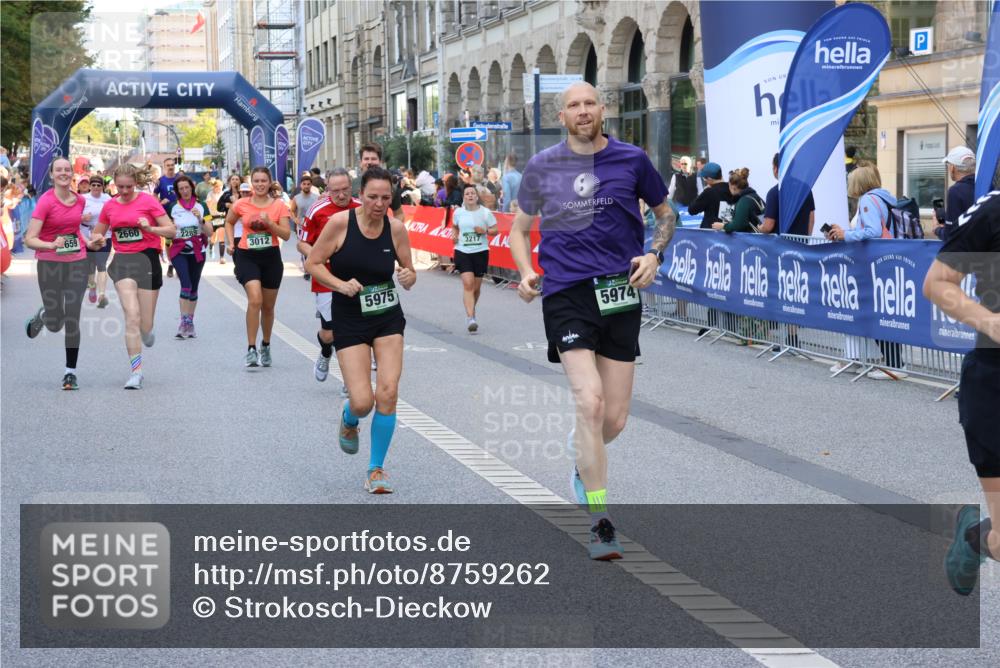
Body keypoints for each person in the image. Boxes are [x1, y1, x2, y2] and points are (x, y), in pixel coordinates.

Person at [510, 81, 675, 560]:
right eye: (573, 106)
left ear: (603, 109)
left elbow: (667, 216)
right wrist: (525, 272)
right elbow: (521, 231)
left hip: (620, 290)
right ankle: (601, 522)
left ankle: (583, 452)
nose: (582, 111)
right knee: (590, 401)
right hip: (566, 292)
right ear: (561, 116)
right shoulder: (542, 166)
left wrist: (654, 255)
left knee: (614, 419)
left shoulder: (632, 159)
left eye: (589, 103)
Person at [304, 166, 417, 494]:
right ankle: (350, 418)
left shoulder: (395, 229)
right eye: (372, 197)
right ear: (360, 195)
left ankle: (376, 469)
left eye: (385, 198)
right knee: (363, 400)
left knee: (388, 392)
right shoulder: (340, 223)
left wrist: (409, 276)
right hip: (349, 317)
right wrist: (340, 284)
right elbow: (312, 262)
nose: (379, 204)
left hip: (387, 317)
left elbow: (408, 270)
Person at [923, 189, 1000, 597]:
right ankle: (975, 537)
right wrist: (988, 321)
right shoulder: (993, 210)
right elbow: (937, 283)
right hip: (994, 386)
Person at [90, 163, 176, 389]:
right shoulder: (110, 205)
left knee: (145, 325)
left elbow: (171, 230)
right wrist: (97, 239)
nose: (125, 191)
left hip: (147, 259)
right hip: (124, 261)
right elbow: (97, 231)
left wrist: (150, 229)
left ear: (136, 183)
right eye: (120, 187)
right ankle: (136, 372)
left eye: (128, 186)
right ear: (115, 184)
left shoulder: (148, 201)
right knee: (132, 315)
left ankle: (147, 332)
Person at [22, 157, 101, 390]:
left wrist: (89, 242)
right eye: (59, 170)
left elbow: (74, 229)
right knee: (56, 323)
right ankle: (46, 316)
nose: (64, 173)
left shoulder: (78, 200)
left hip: (77, 261)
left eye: (67, 169)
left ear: (72, 174)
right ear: (52, 175)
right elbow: (29, 239)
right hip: (49, 264)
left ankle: (70, 372)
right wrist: (50, 245)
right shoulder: (46, 202)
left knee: (73, 317)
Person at [825, 164, 905, 379]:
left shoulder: (868, 200)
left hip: (874, 262)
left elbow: (873, 231)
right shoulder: (885, 197)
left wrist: (845, 236)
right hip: (887, 259)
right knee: (883, 312)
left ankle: (895, 365)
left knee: (876, 313)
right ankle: (888, 362)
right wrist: (846, 232)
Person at [297, 168, 361, 386]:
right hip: (326, 280)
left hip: (357, 279)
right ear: (327, 189)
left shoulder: (362, 208)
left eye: (345, 190)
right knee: (330, 333)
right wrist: (318, 258)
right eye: (336, 191)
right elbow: (302, 243)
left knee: (351, 330)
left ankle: (349, 380)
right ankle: (325, 353)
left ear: (351, 187)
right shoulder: (318, 210)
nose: (341, 195)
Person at [225, 167, 292, 368]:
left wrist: (270, 223)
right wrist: (231, 243)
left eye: (264, 180)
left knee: (268, 307)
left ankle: (266, 344)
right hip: (247, 256)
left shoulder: (279, 205)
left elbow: (286, 235)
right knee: (255, 299)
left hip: (271, 257)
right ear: (252, 183)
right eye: (257, 181)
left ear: (270, 182)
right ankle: (251, 348)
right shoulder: (241, 204)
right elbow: (229, 222)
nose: (260, 184)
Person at [167, 175, 213, 338]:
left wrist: (200, 219)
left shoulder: (201, 206)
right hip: (179, 251)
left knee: (193, 288)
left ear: (192, 188)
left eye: (187, 188)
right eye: (181, 189)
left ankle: (190, 321)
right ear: (177, 191)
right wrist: (166, 246)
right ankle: (184, 321)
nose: (185, 191)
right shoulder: (172, 207)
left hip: (198, 251)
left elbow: (210, 232)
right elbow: (167, 231)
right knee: (185, 285)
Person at [450, 183, 498, 332]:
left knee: (476, 288)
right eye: (467, 194)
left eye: (472, 193)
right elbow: (455, 226)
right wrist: (455, 235)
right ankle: (470, 317)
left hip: (481, 251)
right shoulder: (458, 212)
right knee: (468, 284)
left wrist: (484, 231)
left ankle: (471, 310)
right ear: (464, 198)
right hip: (462, 251)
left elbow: (495, 230)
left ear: (477, 197)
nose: (470, 195)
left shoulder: (485, 213)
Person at [761, 152, 815, 235]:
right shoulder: (805, 188)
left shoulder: (774, 192)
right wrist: (807, 240)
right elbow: (811, 218)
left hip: (781, 246)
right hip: (801, 244)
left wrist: (760, 227)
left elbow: (768, 226)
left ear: (776, 169)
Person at [81, 176, 112, 307]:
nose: (96, 187)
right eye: (93, 185)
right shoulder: (83, 199)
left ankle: (102, 294)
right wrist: (82, 217)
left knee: (101, 263)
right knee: (90, 265)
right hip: (88, 235)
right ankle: (92, 285)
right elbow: (75, 216)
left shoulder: (108, 199)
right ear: (90, 186)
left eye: (98, 185)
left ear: (102, 187)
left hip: (105, 235)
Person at [352, 144, 402, 219]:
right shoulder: (350, 185)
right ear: (360, 163)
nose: (370, 162)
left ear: (380, 162)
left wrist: (392, 229)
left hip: (381, 229)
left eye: (373, 159)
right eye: (366, 159)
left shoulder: (390, 185)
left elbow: (399, 214)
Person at [938, 146, 976, 242]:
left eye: (948, 165)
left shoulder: (956, 191)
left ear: (952, 168)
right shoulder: (987, 185)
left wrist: (937, 229)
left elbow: (951, 235)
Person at [711, 168, 764, 233]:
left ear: (733, 187)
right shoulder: (755, 196)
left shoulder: (744, 202)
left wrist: (723, 226)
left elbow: (739, 224)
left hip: (751, 239)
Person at [688, 161, 737, 230]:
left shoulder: (709, 192)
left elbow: (692, 210)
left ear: (710, 179)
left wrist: (703, 192)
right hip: (731, 233)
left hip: (711, 235)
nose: (704, 180)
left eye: (704, 178)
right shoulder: (733, 189)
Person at [154, 157, 178, 279]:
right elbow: (154, 195)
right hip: (166, 215)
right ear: (164, 167)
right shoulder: (160, 181)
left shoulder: (180, 178)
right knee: (169, 241)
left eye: (172, 164)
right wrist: (159, 202)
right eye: (168, 165)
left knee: (180, 239)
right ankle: (170, 263)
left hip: (180, 213)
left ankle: (179, 263)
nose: (170, 167)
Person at [214, 174, 243, 264]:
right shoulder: (226, 194)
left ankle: (243, 265)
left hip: (243, 222)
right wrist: (226, 205)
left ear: (240, 181)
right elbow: (218, 207)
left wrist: (235, 203)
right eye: (233, 179)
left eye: (237, 179)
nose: (235, 181)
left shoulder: (244, 193)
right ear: (230, 182)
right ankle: (237, 266)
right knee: (233, 245)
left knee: (243, 244)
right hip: (231, 223)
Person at [206, 178, 224, 261]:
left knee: (221, 236)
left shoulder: (223, 194)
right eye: (218, 187)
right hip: (213, 216)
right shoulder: (210, 194)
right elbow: (208, 205)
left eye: (221, 187)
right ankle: (211, 247)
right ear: (214, 187)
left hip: (221, 216)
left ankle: (222, 257)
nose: (219, 189)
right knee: (214, 237)